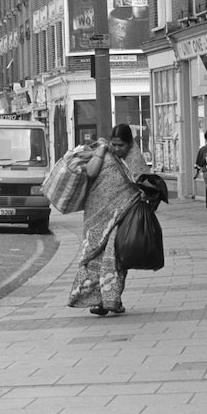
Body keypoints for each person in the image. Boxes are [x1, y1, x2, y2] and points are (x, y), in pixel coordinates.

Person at [67, 123, 149, 316]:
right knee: (95, 259)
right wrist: (103, 149)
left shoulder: (136, 160)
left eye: (121, 145)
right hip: (96, 217)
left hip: (122, 217)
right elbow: (91, 172)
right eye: (114, 144)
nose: (117, 148)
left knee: (115, 259)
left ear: (130, 144)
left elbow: (145, 186)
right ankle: (96, 300)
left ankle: (111, 300)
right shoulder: (105, 152)